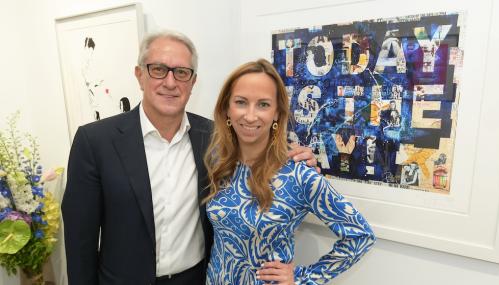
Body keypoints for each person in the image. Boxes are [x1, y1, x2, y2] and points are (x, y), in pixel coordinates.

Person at [61, 30, 317, 285]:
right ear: (140, 76)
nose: (170, 83)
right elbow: (79, 240)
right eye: (158, 69)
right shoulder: (95, 142)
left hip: (195, 279)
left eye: (182, 72)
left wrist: (298, 157)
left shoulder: (216, 137)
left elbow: (259, 149)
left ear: (193, 82)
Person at [203, 59, 376, 285]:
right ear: (227, 108)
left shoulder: (298, 174)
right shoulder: (219, 163)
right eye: (241, 102)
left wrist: (304, 278)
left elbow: (361, 235)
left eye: (263, 104)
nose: (250, 115)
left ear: (277, 113)